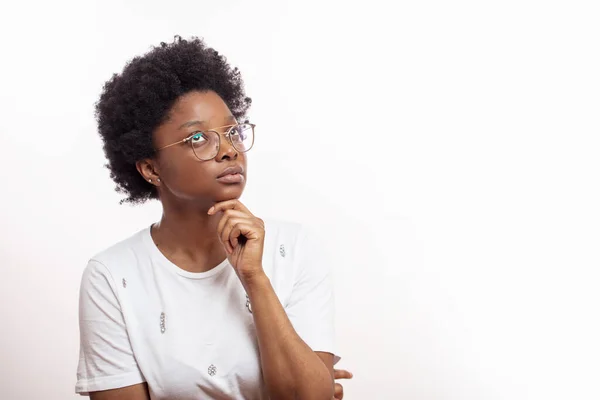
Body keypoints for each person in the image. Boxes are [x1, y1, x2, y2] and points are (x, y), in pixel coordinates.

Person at [75, 36, 353, 400]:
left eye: (233, 132)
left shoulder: (296, 248)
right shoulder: (113, 276)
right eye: (198, 138)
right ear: (150, 168)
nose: (229, 151)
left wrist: (255, 279)